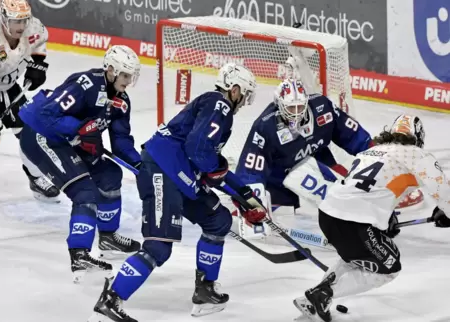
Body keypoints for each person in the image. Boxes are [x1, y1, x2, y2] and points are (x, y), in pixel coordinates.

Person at [89, 63, 266, 322]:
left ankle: (205, 290)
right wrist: (218, 172)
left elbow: (207, 159)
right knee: (158, 247)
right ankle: (110, 300)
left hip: (180, 175)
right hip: (163, 171)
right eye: (245, 94)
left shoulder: (215, 109)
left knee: (218, 221)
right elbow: (200, 152)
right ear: (235, 89)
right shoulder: (220, 105)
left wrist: (245, 195)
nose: (245, 102)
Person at [293, 114, 450, 322]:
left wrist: (384, 219)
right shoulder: (416, 154)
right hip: (353, 221)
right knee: (389, 266)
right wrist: (445, 212)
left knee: (357, 257)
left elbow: (367, 189)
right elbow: (443, 191)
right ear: (418, 137)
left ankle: (314, 298)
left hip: (328, 214)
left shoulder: (369, 152)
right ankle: (322, 296)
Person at [18, 45, 142, 282]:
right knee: (84, 191)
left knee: (110, 174)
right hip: (41, 136)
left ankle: (107, 237)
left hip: (71, 142)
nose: (128, 81)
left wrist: (141, 167)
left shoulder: (121, 101)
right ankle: (80, 254)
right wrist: (79, 129)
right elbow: (46, 114)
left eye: (131, 76)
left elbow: (121, 142)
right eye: (125, 75)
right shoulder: (86, 84)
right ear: (112, 71)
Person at [0, 0, 60, 220]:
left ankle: (36, 177)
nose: (20, 26)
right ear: (3, 18)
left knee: (29, 132)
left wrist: (39, 65)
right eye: (15, 21)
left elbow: (39, 45)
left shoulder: (33, 27)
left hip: (8, 86)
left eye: (23, 20)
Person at [235, 78, 373, 212]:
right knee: (280, 215)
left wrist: (374, 154)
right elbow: (251, 170)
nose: (296, 114)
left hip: (320, 164)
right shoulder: (265, 126)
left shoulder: (322, 107)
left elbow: (353, 135)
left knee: (348, 195)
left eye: (300, 106)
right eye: (291, 108)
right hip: (280, 179)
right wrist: (249, 200)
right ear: (279, 105)